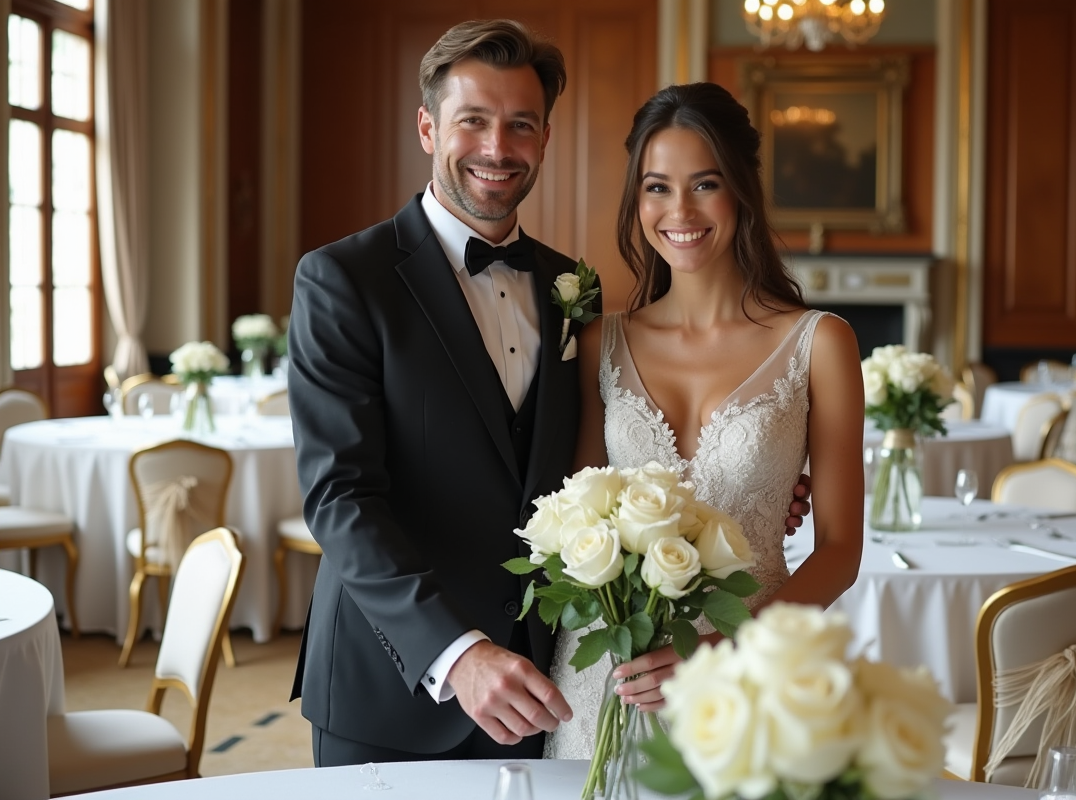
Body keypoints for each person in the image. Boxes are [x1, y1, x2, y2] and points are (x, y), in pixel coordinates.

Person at [288, 20, 813, 766]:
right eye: (473, 120)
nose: (497, 148)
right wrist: (457, 654)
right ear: (428, 126)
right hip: (399, 683)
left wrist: (750, 483)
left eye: (521, 125)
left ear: (544, 138)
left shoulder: (572, 288)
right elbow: (340, 498)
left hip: (553, 680)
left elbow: (594, 472)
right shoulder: (343, 280)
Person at [544, 82, 864, 758]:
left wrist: (721, 649)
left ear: (742, 190)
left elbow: (840, 551)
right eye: (657, 187)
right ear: (636, 199)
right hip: (610, 676)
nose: (679, 210)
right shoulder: (600, 341)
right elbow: (580, 517)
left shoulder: (821, 343)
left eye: (705, 184)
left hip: (752, 665)